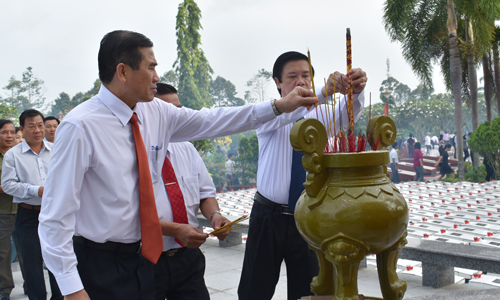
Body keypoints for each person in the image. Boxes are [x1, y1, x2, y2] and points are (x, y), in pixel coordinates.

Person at [37, 30, 318, 300]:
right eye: (150, 67)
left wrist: (279, 106)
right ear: (123, 72)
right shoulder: (80, 126)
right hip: (100, 262)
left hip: (147, 258)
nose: (157, 77)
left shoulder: (155, 111)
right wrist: (72, 288)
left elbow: (213, 120)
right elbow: (55, 216)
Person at [238, 51, 367, 300]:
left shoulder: (321, 115)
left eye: (306, 75)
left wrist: (355, 89)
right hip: (268, 217)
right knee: (254, 289)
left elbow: (347, 114)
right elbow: (290, 111)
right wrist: (323, 92)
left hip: (308, 216)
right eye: (293, 76)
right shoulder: (269, 114)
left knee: (309, 289)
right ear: (277, 81)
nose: (301, 81)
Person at [154, 83, 230, 300]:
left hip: (187, 258)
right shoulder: (132, 152)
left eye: (180, 110)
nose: (179, 117)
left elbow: (205, 193)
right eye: (171, 112)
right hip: (147, 260)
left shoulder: (186, 148)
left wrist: (215, 216)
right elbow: (130, 215)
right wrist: (176, 231)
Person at [1, 110, 63, 300]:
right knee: (31, 262)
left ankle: (59, 297)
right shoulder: (13, 155)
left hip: (54, 213)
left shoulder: (56, 150)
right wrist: (36, 190)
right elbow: (8, 184)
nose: (37, 130)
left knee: (57, 259)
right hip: (28, 214)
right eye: (31, 126)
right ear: (22, 129)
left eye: (40, 125)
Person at [0, 119, 25, 300]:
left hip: (23, 209)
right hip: (2, 211)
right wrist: (16, 186)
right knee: (3, 253)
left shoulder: (19, 154)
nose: (9, 136)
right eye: (4, 132)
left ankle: (31, 284)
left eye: (11, 132)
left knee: (27, 251)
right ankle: (5, 290)